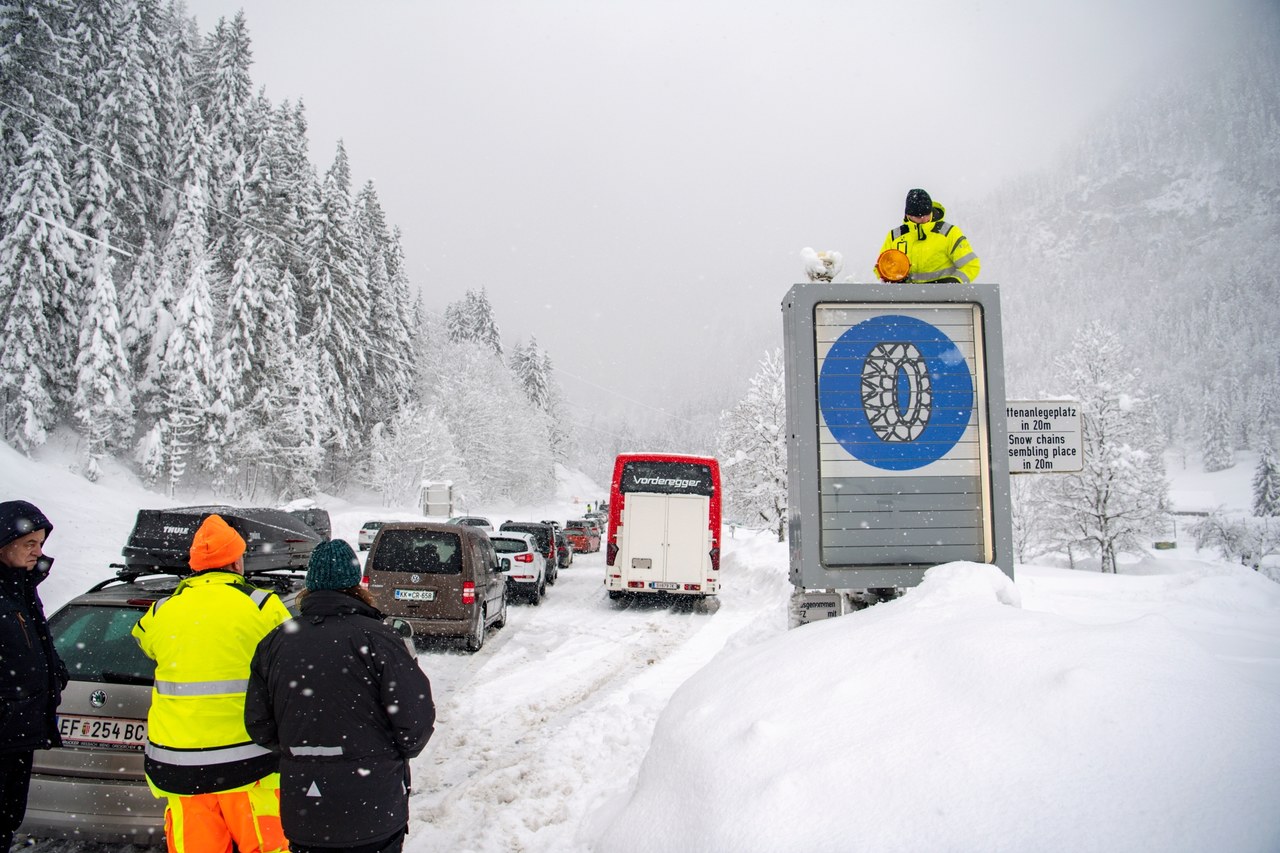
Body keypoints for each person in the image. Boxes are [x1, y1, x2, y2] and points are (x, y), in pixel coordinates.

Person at [246, 539, 435, 853]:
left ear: (310, 585)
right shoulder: (380, 639)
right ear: (356, 584)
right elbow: (415, 721)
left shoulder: (277, 642)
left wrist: (304, 753)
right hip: (373, 809)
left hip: (306, 812)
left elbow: (259, 724)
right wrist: (385, 756)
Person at [131, 513, 291, 853]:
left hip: (177, 767)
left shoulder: (162, 611)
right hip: (249, 764)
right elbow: (289, 658)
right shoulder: (262, 606)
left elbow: (145, 643)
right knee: (266, 846)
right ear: (235, 561)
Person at [0, 500, 67, 850]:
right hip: (7, 730)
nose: (38, 552)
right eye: (30, 544)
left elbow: (35, 645)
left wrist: (55, 671)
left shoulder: (23, 589)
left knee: (8, 822)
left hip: (20, 735)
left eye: (41, 544)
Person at [875, 188, 981, 283]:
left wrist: (953, 282)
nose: (924, 219)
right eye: (918, 217)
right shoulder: (894, 237)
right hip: (906, 301)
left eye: (926, 214)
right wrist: (891, 278)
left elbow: (971, 265)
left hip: (944, 301)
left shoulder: (949, 233)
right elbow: (879, 268)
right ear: (908, 215)